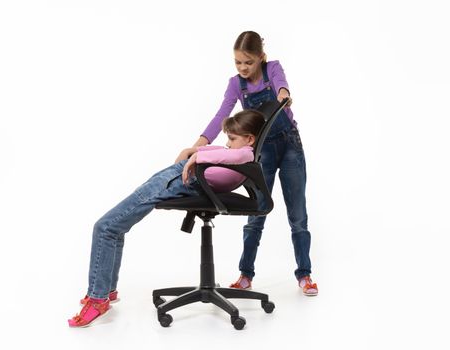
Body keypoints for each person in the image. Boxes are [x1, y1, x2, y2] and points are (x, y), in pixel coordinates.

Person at [68, 109, 265, 327]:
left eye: (232, 138)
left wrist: (197, 157)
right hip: (179, 177)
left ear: (249, 139)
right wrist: (193, 150)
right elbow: (222, 151)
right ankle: (106, 292)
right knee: (114, 227)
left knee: (106, 227)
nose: (228, 144)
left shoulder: (245, 154)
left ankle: (98, 299)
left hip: (180, 181)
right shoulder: (237, 153)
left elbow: (233, 154)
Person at [176, 31, 318, 296]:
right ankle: (245, 275)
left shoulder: (272, 69)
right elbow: (222, 114)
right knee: (256, 212)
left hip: (290, 147)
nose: (243, 67)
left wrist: (284, 94)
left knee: (297, 215)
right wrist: (198, 146)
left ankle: (305, 275)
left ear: (260, 58)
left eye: (248, 62)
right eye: (238, 62)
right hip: (261, 151)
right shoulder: (235, 85)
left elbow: (281, 84)